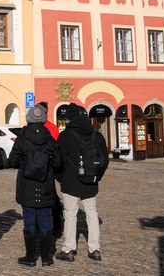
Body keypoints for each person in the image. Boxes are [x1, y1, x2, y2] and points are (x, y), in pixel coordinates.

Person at [8, 106, 62, 267]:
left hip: (27, 185)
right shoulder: (50, 139)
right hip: (45, 184)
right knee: (45, 220)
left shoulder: (22, 138)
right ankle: (46, 258)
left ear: (29, 119)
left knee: (29, 221)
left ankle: (30, 257)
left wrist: (25, 162)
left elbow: (12, 161)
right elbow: (58, 163)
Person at [55, 103, 108, 262]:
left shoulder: (65, 136)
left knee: (70, 214)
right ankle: (95, 249)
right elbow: (104, 159)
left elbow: (59, 160)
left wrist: (59, 177)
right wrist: (97, 175)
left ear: (69, 119)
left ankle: (68, 249)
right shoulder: (96, 134)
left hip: (70, 180)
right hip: (91, 180)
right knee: (92, 213)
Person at [36, 101, 63, 236]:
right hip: (38, 166)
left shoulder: (51, 128)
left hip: (47, 167)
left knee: (51, 196)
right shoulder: (36, 127)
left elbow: (55, 147)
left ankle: (57, 222)